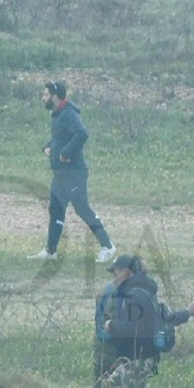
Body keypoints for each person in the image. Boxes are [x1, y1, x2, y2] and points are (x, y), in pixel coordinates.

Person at [86, 255, 194, 388]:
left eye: (116, 272)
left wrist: (113, 325)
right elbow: (164, 317)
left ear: (127, 272)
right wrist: (188, 312)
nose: (114, 277)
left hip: (132, 357)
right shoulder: (144, 291)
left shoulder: (134, 294)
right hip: (137, 357)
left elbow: (139, 328)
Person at [28, 80, 116, 264]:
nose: (42, 98)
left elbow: (82, 134)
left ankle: (107, 247)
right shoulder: (57, 114)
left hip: (74, 173)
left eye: (45, 95)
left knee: (82, 209)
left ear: (54, 96)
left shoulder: (68, 114)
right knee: (56, 209)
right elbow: (60, 138)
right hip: (60, 175)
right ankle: (51, 251)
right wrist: (48, 147)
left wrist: (66, 153)